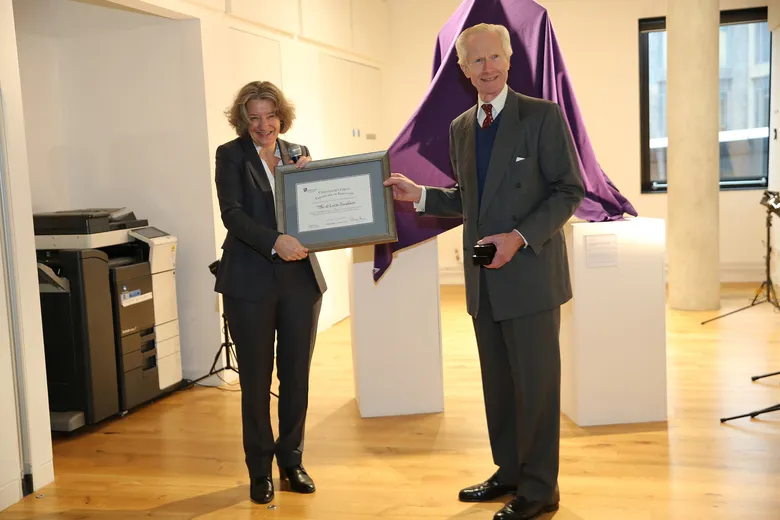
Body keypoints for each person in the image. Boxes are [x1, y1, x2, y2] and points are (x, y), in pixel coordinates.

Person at [384, 23, 584, 520]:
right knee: (498, 385)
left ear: (509, 60)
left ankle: (540, 490)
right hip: (484, 280)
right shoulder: (460, 128)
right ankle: (509, 471)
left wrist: (517, 238)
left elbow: (568, 191)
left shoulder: (542, 116)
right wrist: (423, 195)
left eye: (494, 58)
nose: (487, 68)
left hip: (530, 275)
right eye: (477, 61)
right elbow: (470, 198)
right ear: (463, 69)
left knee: (536, 388)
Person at [213, 80, 327, 505]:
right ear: (243, 120)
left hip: (300, 281)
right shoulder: (231, 155)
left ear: (282, 116)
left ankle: (292, 461)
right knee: (256, 382)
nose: (263, 125)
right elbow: (233, 215)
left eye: (270, 115)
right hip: (249, 280)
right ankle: (259, 470)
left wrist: (315, 186)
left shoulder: (298, 153)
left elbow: (315, 208)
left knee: (296, 376)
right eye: (254, 117)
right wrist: (275, 239)